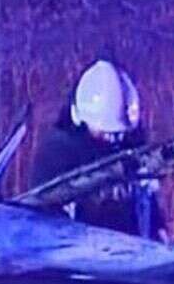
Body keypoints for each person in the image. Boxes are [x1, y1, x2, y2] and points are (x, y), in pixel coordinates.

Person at [29, 59, 162, 237]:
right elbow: (44, 221)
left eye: (118, 132)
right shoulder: (58, 155)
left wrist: (159, 233)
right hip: (81, 259)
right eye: (105, 131)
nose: (113, 138)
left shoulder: (134, 149)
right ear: (81, 119)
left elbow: (149, 209)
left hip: (134, 257)